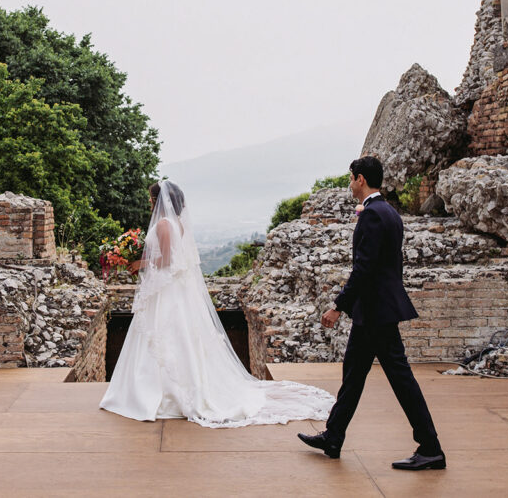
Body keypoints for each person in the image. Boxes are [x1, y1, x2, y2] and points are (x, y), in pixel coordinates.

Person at [100, 180, 335, 428]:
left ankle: (162, 393)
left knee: (165, 335)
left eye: (151, 199)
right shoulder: (176, 223)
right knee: (177, 338)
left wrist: (140, 264)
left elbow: (167, 259)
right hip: (169, 289)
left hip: (166, 291)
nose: (149, 203)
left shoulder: (163, 224)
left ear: (159, 201)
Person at [298, 156, 446, 470]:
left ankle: (431, 447)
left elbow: (364, 269)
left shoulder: (372, 215)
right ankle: (333, 437)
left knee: (401, 379)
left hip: (376, 312)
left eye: (352, 178)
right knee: (352, 375)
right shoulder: (390, 213)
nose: (350, 184)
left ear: (361, 179)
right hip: (373, 311)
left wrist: (338, 306)